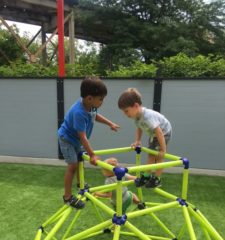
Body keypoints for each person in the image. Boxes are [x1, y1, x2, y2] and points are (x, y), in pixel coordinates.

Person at [58, 77, 120, 209]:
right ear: (90, 98)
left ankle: (80, 183)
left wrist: (110, 123)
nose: (102, 102)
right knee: (73, 166)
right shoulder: (79, 112)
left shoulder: (90, 106)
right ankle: (67, 197)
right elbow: (83, 137)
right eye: (101, 99)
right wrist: (92, 154)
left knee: (80, 161)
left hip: (76, 139)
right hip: (67, 140)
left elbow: (95, 116)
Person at [118, 87, 172, 188]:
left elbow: (159, 132)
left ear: (136, 106)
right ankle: (147, 176)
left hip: (164, 132)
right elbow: (139, 128)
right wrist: (137, 140)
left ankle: (157, 179)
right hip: (154, 135)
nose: (125, 114)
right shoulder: (137, 117)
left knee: (159, 156)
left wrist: (163, 149)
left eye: (126, 111)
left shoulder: (147, 116)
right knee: (151, 155)